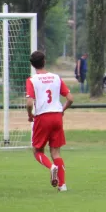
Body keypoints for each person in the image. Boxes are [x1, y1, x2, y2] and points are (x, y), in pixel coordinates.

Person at [26, 51, 74, 191]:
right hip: (57, 117)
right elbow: (70, 98)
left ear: (32, 64)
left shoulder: (32, 80)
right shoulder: (56, 78)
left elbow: (29, 103)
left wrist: (30, 115)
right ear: (44, 61)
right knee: (56, 153)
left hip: (42, 117)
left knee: (37, 150)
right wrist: (63, 110)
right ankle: (62, 185)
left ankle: (51, 167)